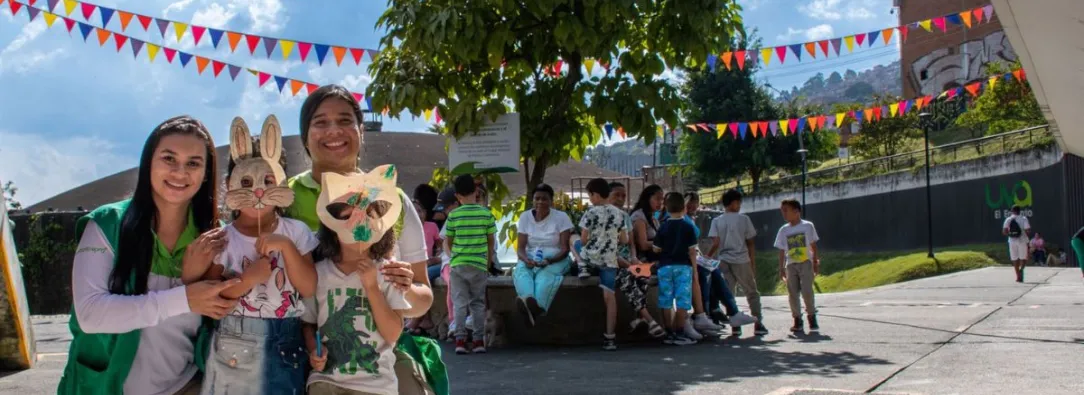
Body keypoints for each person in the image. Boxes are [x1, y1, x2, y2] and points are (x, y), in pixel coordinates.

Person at [60, 116, 242, 395]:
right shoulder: (107, 223)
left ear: (206, 173)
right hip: (103, 387)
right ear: (148, 163)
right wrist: (186, 297)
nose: (180, 172)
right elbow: (91, 315)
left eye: (193, 163)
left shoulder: (215, 236)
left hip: (187, 385)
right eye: (169, 158)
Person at [285, 85, 446, 394]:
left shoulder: (393, 201)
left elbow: (422, 299)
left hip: (379, 363)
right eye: (320, 122)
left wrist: (403, 287)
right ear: (305, 136)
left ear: (361, 132)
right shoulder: (283, 199)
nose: (334, 130)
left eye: (345, 120)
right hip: (297, 358)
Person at [185, 115, 319, 394]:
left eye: (268, 180)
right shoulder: (224, 239)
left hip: (287, 339)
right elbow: (213, 299)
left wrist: (285, 247)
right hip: (234, 339)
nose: (258, 190)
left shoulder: (296, 232)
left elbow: (309, 287)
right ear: (231, 185)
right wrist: (248, 280)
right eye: (246, 181)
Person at [303, 165, 413, 395]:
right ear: (331, 226)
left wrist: (372, 287)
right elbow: (308, 323)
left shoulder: (388, 273)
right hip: (326, 382)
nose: (358, 222)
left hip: (376, 386)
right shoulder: (319, 273)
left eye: (368, 215)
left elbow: (393, 333)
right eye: (347, 216)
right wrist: (314, 350)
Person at [445, 175, 497, 354]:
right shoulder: (486, 214)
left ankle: (460, 340)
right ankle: (478, 341)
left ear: (457, 195)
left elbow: (449, 241)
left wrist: (454, 256)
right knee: (478, 303)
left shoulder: (453, 215)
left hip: (459, 263)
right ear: (476, 191)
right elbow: (491, 241)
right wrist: (488, 260)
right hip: (479, 264)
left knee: (459, 303)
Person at [707, 189, 768, 337]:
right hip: (741, 259)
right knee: (751, 291)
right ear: (734, 203)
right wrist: (752, 263)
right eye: (739, 202)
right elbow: (751, 243)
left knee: (728, 293)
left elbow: (715, 242)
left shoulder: (717, 221)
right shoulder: (744, 219)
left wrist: (709, 256)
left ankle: (735, 324)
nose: (740, 205)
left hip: (723, 260)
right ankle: (758, 322)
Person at [578, 178, 630, 350]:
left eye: (589, 195)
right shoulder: (619, 214)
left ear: (595, 194)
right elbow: (625, 239)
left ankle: (582, 266)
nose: (590, 199)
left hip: (591, 257)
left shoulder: (590, 213)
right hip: (609, 260)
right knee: (609, 297)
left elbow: (584, 239)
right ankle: (610, 338)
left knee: (575, 242)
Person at [513, 183, 574, 326]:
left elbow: (565, 249)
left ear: (551, 201)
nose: (540, 202)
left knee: (545, 276)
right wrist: (525, 259)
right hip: (531, 256)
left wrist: (549, 260)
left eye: (544, 199)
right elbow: (520, 248)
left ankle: (536, 306)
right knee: (521, 271)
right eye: (537, 198)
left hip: (556, 257)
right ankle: (529, 302)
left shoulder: (561, 217)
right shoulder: (525, 217)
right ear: (533, 200)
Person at [610, 182, 665, 338]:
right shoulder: (602, 217)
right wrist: (629, 264)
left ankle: (639, 318)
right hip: (610, 262)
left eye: (623, 196)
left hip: (628, 259)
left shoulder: (626, 217)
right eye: (616, 195)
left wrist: (634, 258)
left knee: (643, 274)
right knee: (627, 276)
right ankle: (649, 320)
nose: (620, 199)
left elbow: (632, 244)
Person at [654, 192, 699, 346]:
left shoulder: (663, 226)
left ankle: (668, 332)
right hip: (683, 267)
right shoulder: (688, 227)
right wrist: (695, 270)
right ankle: (680, 332)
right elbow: (692, 250)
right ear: (684, 207)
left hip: (665, 266)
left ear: (666, 208)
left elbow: (656, 249)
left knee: (666, 300)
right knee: (682, 301)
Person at [680, 192, 724, 336]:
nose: (693, 205)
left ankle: (714, 309)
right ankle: (704, 313)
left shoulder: (691, 218)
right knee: (704, 273)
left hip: (696, 255)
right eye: (690, 202)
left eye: (696, 202)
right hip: (686, 257)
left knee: (715, 271)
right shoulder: (681, 218)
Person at [775, 199, 820, 334]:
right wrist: (781, 268)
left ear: (796, 211)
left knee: (807, 291)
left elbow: (813, 245)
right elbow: (782, 250)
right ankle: (797, 319)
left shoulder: (807, 226)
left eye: (786, 210)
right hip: (791, 264)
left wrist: (815, 262)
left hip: (806, 262)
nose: (784, 213)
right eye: (782, 211)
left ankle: (812, 316)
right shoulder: (783, 230)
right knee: (792, 293)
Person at [405, 184, 444, 336]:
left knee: (423, 278)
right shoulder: (407, 229)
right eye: (414, 212)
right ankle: (423, 320)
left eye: (420, 211)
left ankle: (415, 321)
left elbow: (442, 248)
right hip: (418, 265)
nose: (417, 214)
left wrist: (435, 259)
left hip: (431, 265)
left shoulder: (432, 227)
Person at [1002, 205, 1032, 283]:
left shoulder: (1008, 219)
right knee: (1023, 258)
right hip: (1022, 240)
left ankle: (1018, 276)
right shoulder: (1024, 218)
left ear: (1012, 211)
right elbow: (1028, 230)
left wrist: (1011, 233)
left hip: (1012, 241)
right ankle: (1021, 269)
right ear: (1019, 211)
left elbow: (1004, 232)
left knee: (1014, 258)